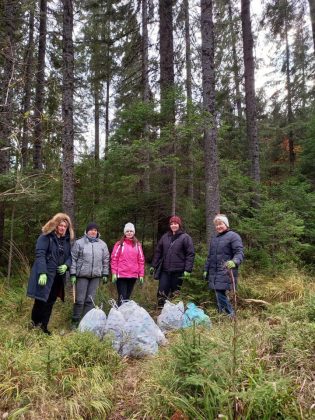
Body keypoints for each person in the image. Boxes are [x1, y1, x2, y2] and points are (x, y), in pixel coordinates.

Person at [27, 213, 74, 335]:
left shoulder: (66, 241)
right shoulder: (46, 237)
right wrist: (42, 272)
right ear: (55, 225)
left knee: (50, 301)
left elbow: (70, 257)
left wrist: (66, 265)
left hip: (58, 277)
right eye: (61, 225)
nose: (63, 228)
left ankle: (44, 327)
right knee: (41, 300)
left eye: (65, 226)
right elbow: (40, 255)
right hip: (46, 275)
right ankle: (34, 325)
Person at [70, 222, 110, 329]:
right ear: (87, 231)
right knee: (79, 300)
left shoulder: (102, 244)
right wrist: (73, 273)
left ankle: (86, 323)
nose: (93, 232)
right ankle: (75, 322)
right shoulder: (79, 243)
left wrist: (105, 273)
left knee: (90, 300)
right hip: (82, 275)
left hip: (96, 276)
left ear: (97, 232)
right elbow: (73, 259)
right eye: (91, 230)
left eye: (95, 230)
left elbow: (106, 260)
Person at [203, 214, 244, 317]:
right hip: (214, 271)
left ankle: (231, 315)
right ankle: (222, 316)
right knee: (218, 293)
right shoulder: (214, 239)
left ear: (226, 224)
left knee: (219, 291)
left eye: (220, 224)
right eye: (216, 225)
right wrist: (206, 269)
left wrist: (234, 261)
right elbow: (210, 257)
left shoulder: (233, 236)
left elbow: (239, 252)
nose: (218, 227)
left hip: (226, 269)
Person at [150, 215, 195, 309]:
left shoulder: (185, 237)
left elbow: (190, 254)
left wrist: (188, 269)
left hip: (178, 271)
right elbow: (158, 251)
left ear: (179, 225)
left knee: (175, 292)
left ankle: (174, 311)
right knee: (162, 291)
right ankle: (160, 309)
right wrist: (153, 265)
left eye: (176, 224)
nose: (173, 225)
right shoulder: (165, 236)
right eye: (172, 224)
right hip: (165, 270)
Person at [111, 222, 145, 306]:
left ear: (134, 232)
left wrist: (141, 274)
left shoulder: (138, 245)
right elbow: (114, 258)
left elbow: (141, 260)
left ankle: (125, 316)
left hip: (133, 275)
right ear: (124, 232)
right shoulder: (119, 244)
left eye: (131, 231)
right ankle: (119, 316)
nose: (129, 233)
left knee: (127, 297)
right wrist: (114, 273)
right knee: (122, 297)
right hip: (121, 275)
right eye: (127, 231)